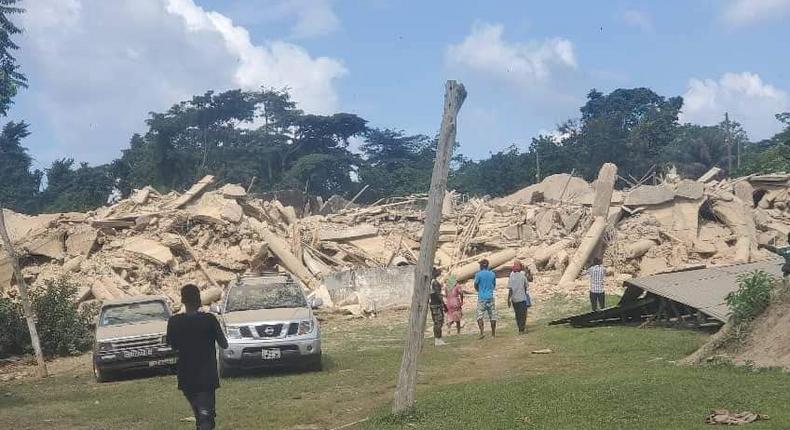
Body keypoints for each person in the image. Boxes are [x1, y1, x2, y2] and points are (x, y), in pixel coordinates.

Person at [167, 284, 228, 430]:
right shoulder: (209, 320)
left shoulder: (174, 322)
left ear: (183, 300)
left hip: (186, 376)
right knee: (206, 418)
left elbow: (173, 346)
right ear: (199, 299)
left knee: (201, 416)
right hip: (206, 377)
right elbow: (224, 344)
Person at [474, 259, 497, 339]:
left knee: (479, 316)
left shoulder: (478, 274)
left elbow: (476, 285)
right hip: (490, 296)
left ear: (481, 266)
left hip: (481, 297)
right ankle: (493, 334)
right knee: (492, 315)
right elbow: (494, 284)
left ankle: (482, 333)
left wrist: (479, 290)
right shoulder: (492, 274)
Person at [507, 260, 532, 334]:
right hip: (522, 298)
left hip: (514, 299)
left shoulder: (511, 276)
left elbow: (510, 289)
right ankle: (522, 329)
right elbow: (526, 286)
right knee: (523, 314)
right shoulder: (522, 275)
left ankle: (519, 328)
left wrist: (508, 299)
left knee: (517, 314)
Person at [429, 267, 447, 346]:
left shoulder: (430, 282)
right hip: (436, 304)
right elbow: (438, 294)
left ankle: (437, 339)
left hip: (433, 304)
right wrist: (444, 304)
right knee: (439, 321)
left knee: (436, 322)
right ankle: (438, 339)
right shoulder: (435, 282)